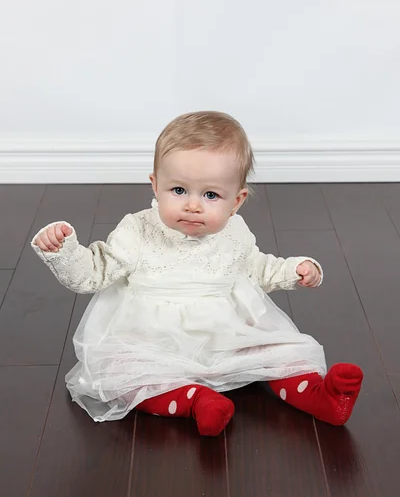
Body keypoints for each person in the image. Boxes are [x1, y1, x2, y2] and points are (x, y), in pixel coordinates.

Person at [31, 111, 363, 436]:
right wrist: (65, 253)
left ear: (236, 201)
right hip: (150, 335)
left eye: (210, 195)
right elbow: (92, 275)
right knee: (123, 373)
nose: (193, 205)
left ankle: (322, 397)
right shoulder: (137, 230)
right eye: (178, 190)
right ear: (155, 185)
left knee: (277, 353)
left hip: (224, 330)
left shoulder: (234, 231)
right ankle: (194, 401)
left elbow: (256, 268)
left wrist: (295, 269)